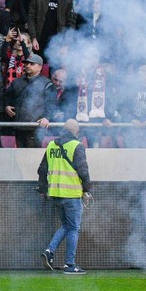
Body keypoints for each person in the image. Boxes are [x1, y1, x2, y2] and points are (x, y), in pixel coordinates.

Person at [38, 118, 91, 275]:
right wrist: (87, 190)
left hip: (55, 194)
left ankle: (49, 251)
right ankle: (69, 264)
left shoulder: (51, 145)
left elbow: (42, 169)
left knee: (67, 226)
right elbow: (83, 170)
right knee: (73, 227)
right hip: (72, 194)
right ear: (76, 131)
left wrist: (43, 188)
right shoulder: (77, 146)